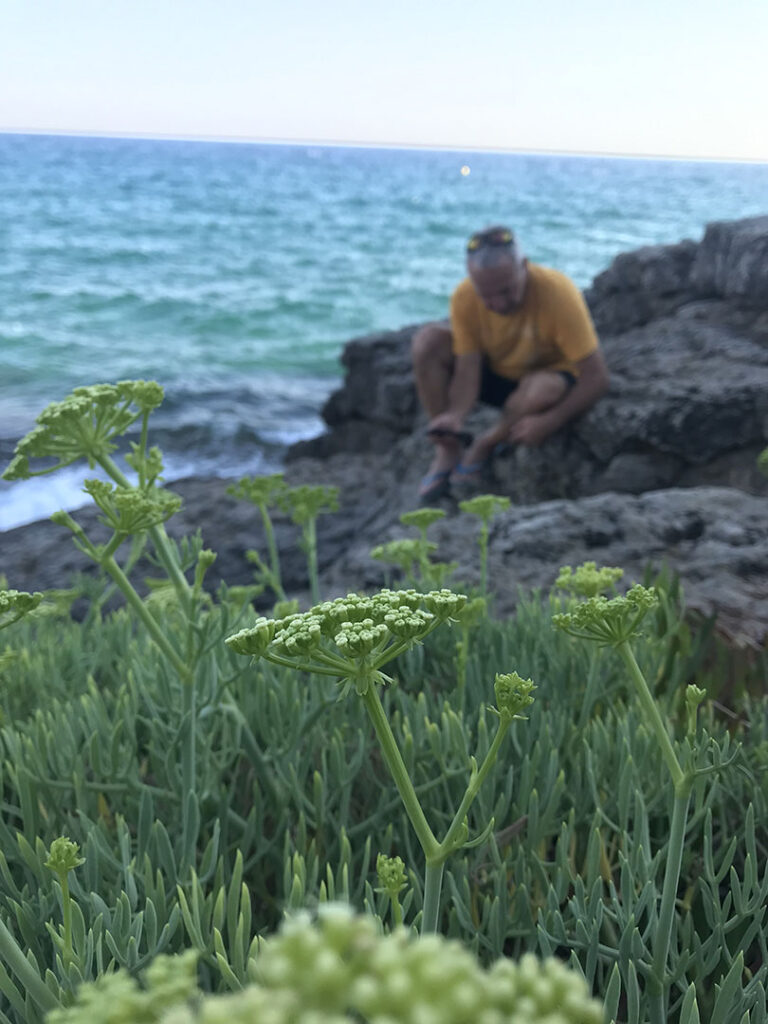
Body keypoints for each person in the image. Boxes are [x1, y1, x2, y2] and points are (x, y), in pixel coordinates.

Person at [412, 225, 609, 502]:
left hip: (548, 376)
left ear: (524, 266)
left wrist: (551, 421)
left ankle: (485, 444)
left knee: (541, 388)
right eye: (487, 295)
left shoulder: (557, 292)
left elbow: (597, 378)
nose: (497, 303)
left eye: (506, 291)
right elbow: (468, 367)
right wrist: (455, 415)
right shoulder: (465, 296)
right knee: (428, 340)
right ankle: (447, 447)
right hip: (497, 374)